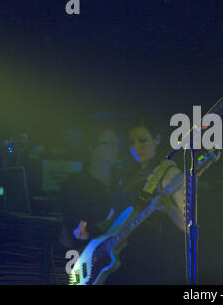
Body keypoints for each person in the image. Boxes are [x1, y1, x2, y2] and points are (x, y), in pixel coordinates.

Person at [106, 115, 185, 284]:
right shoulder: (126, 175)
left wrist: (169, 209)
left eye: (142, 140)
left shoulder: (168, 173)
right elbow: (115, 217)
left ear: (157, 139)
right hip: (120, 262)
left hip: (151, 263)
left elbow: (188, 225)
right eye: (131, 142)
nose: (136, 147)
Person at [58, 121, 121, 250]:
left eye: (117, 143)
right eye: (110, 144)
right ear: (92, 147)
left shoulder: (123, 182)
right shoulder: (73, 185)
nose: (116, 148)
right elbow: (70, 229)